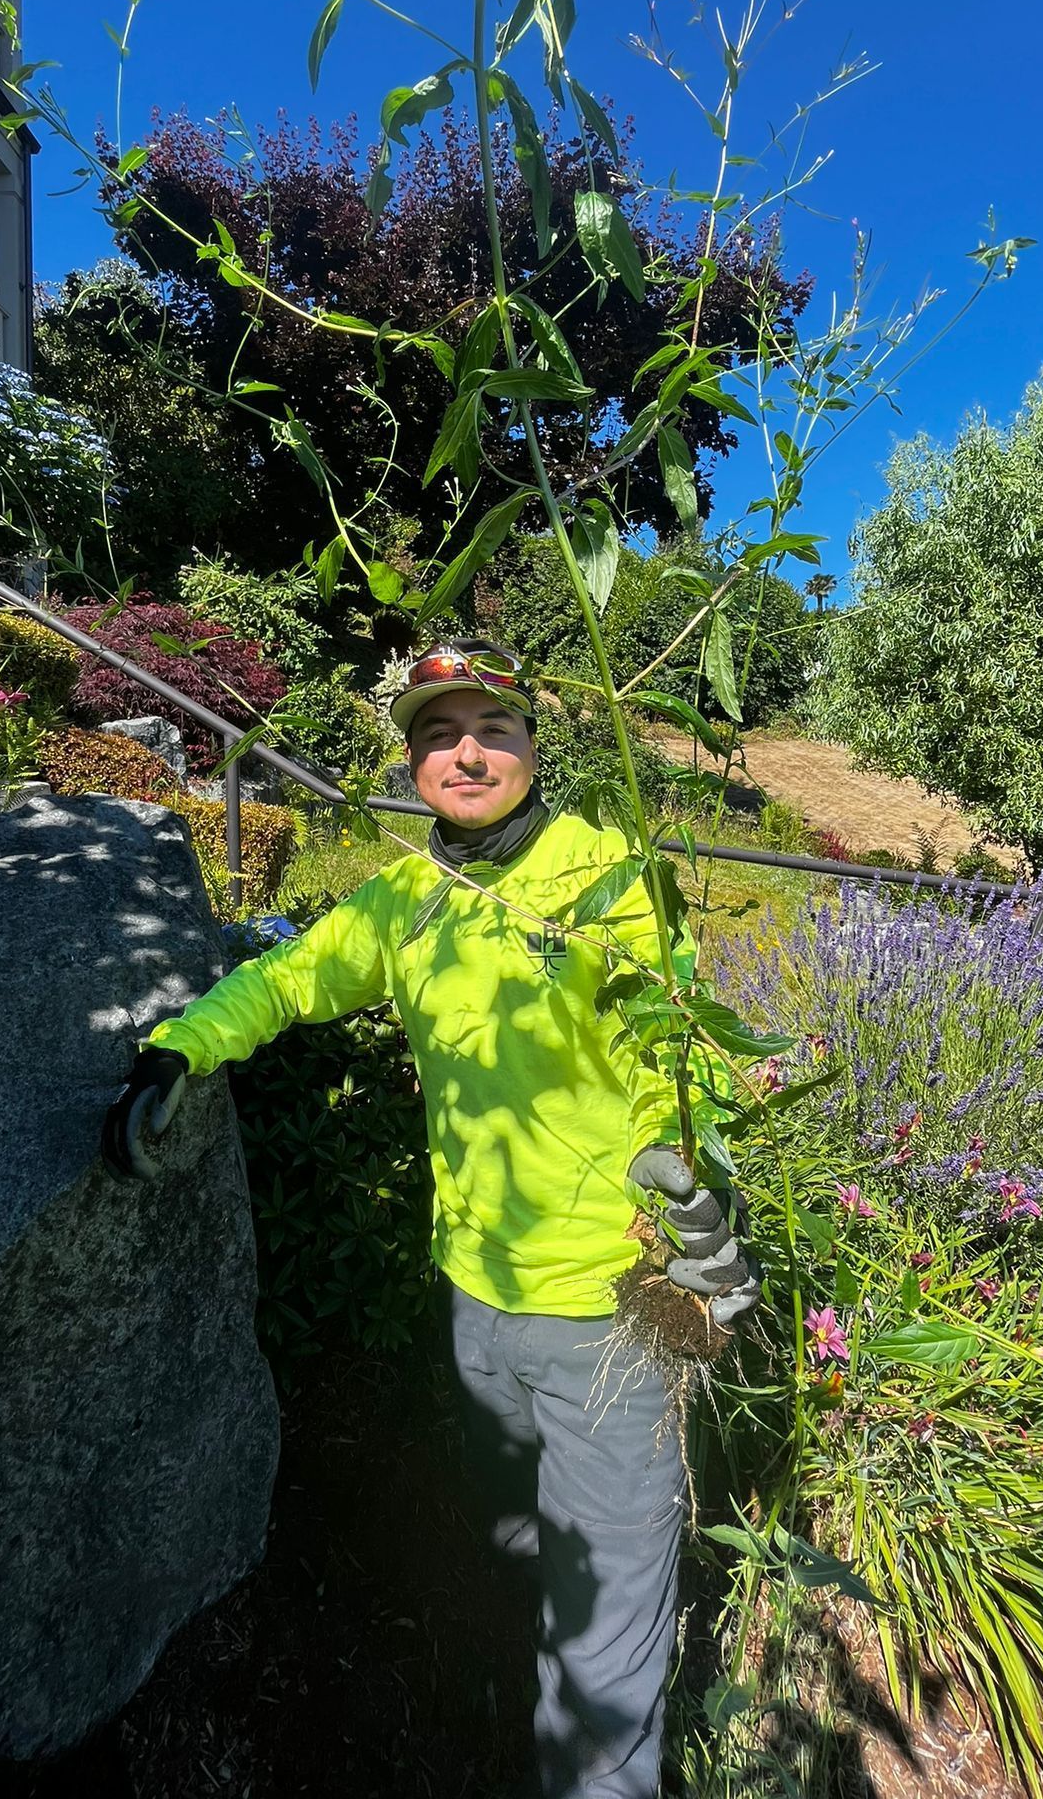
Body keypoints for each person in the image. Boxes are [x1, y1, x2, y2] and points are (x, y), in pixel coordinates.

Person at [103, 643, 760, 1799]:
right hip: (479, 1309)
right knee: (517, 1543)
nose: (465, 751)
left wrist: (705, 1199)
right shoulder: (407, 896)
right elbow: (292, 977)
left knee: (604, 1659)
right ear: (411, 760)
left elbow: (685, 1051)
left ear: (534, 742)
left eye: (492, 727)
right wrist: (183, 1045)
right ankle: (505, 1696)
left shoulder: (610, 873)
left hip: (617, 1312)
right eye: (438, 731)